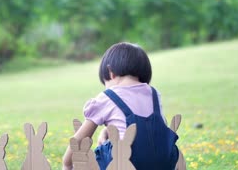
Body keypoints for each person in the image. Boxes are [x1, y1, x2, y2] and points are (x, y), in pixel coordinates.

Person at [62, 42, 179, 170]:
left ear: (110, 72)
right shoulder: (154, 94)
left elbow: (79, 140)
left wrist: (67, 163)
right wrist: (107, 131)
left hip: (125, 164)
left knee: (98, 154)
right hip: (165, 163)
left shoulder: (108, 97)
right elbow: (149, 129)